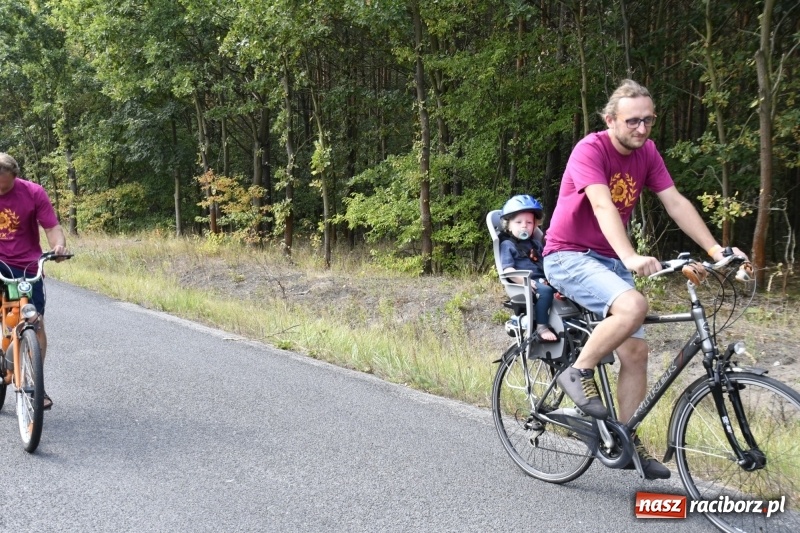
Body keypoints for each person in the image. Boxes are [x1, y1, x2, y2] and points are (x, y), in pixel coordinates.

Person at [542, 79, 747, 480]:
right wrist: (631, 256)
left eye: (648, 120)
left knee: (636, 354)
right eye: (633, 121)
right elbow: (602, 204)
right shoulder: (591, 149)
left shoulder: (647, 152)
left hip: (608, 259)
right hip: (568, 255)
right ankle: (577, 373)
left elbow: (674, 202)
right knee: (634, 305)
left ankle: (622, 439)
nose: (641, 129)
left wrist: (714, 250)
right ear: (611, 120)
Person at [0, 152, 69, 410]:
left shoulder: (33, 192)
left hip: (27, 262)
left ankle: (33, 382)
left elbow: (51, 227)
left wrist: (58, 247)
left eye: (3, 185)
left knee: (34, 320)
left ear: (14, 177)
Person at [498, 195, 557, 343]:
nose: (524, 226)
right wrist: (524, 280)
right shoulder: (508, 245)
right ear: (508, 225)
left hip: (543, 278)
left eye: (529, 222)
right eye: (518, 222)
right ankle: (542, 326)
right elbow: (507, 270)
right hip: (526, 282)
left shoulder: (536, 244)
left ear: (534, 226)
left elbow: (546, 262)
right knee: (546, 291)